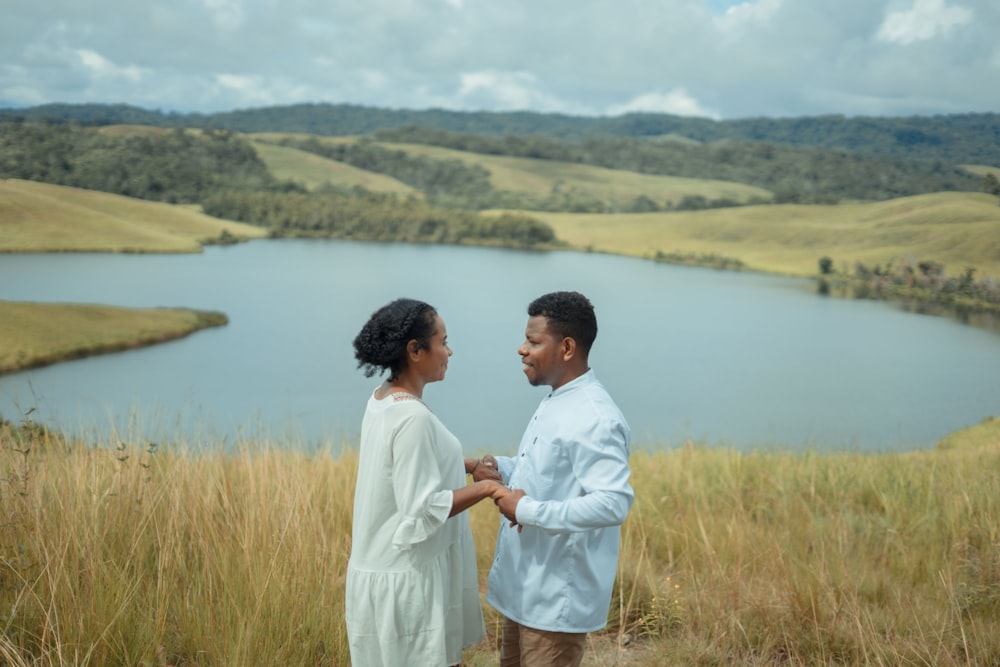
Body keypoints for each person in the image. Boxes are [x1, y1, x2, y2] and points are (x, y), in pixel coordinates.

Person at [472, 290, 634, 667]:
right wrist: (502, 469)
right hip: (526, 592)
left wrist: (524, 508)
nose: (521, 350)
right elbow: (552, 472)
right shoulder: (559, 398)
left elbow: (613, 501)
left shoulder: (594, 415)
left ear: (566, 348)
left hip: (556, 601)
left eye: (533, 341)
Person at [345, 297, 508, 667]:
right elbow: (421, 508)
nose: (449, 352)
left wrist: (466, 465)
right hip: (407, 582)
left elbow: (402, 466)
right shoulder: (412, 418)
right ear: (415, 351)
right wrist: (489, 489)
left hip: (382, 573)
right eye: (443, 341)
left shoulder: (382, 399)